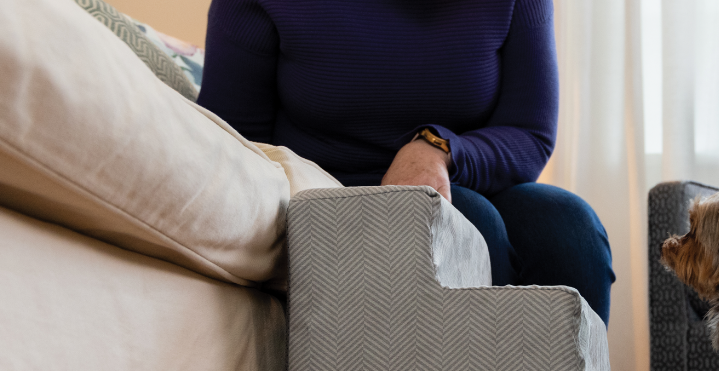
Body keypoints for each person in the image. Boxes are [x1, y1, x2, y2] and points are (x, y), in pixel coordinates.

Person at [198, 0, 614, 321]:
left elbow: (530, 132)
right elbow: (233, 141)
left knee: (570, 229)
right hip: (326, 190)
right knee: (464, 223)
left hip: (461, 173)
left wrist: (435, 148)